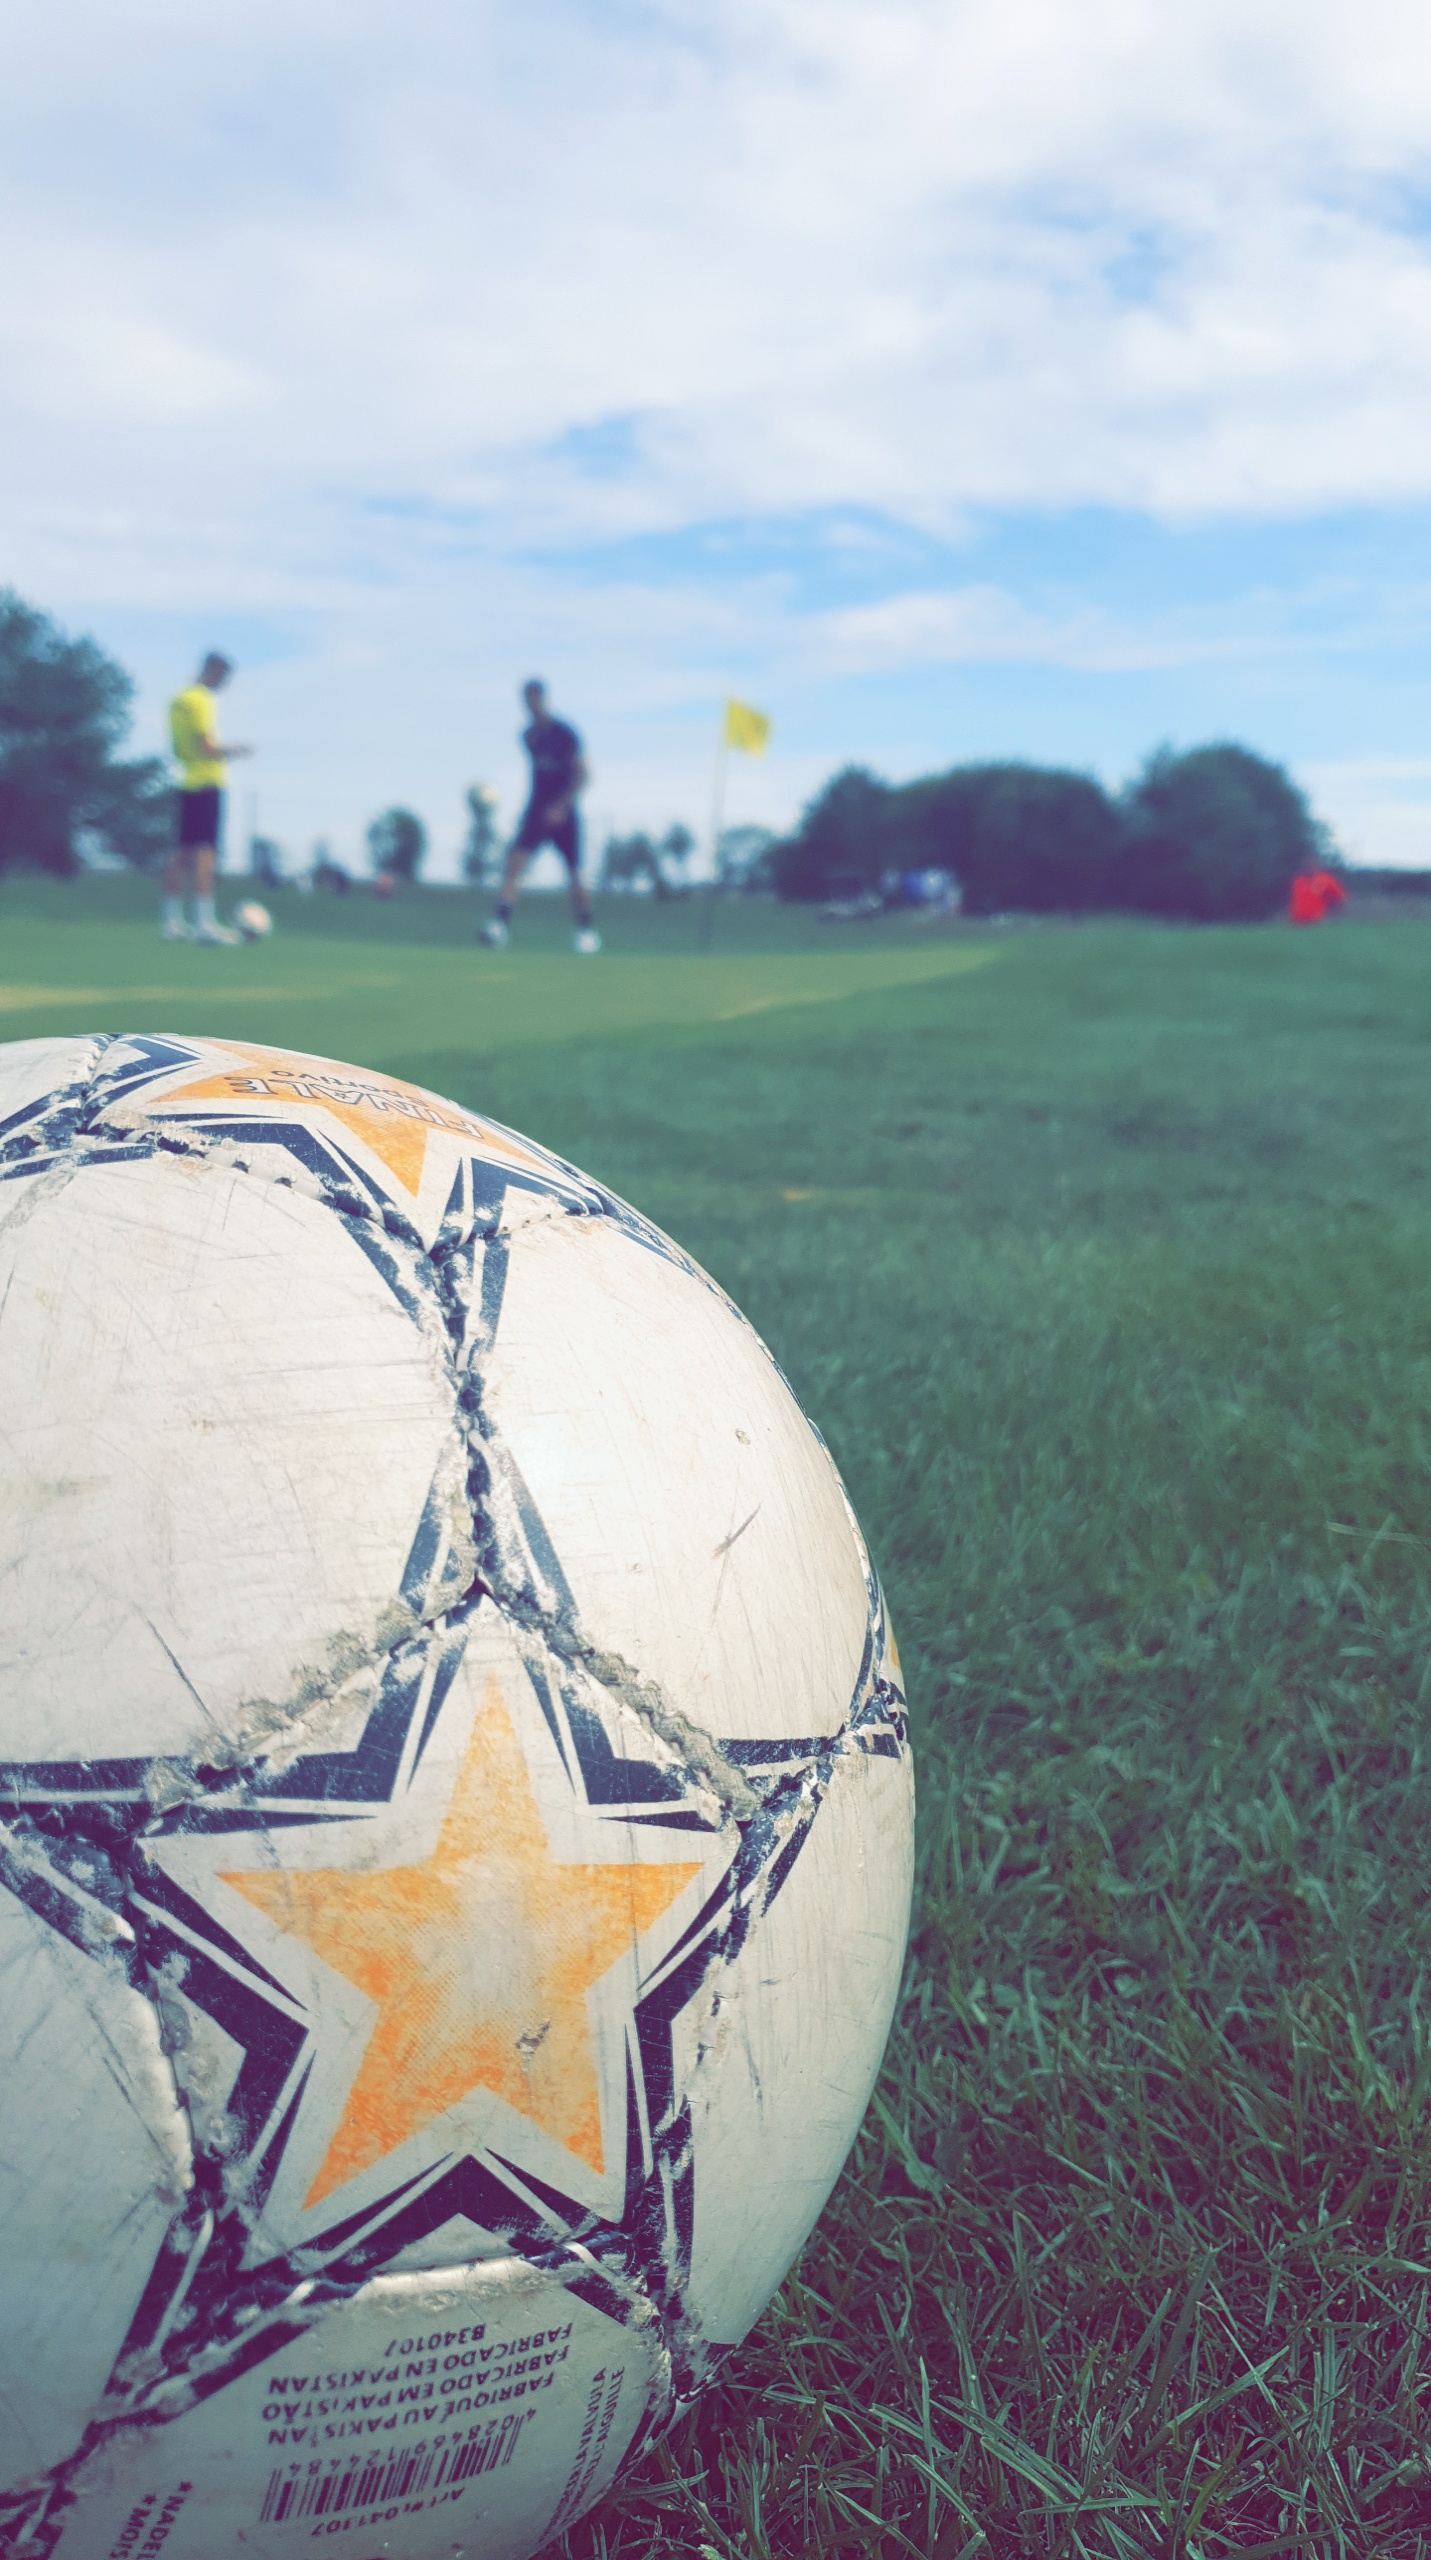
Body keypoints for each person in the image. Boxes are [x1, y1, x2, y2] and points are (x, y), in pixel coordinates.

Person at [481, 681, 600, 953]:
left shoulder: (565, 733)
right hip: (537, 811)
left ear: (543, 699)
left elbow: (583, 775)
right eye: (526, 700)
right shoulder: (528, 736)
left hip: (565, 813)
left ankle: (587, 932)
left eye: (534, 699)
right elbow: (539, 778)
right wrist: (532, 810)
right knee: (514, 863)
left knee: (575, 875)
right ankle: (498, 928)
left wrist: (561, 807)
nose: (530, 705)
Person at [163, 653, 252, 943]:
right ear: (214, 671)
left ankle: (172, 922)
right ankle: (205, 924)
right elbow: (208, 746)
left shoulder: (179, 698)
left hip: (186, 779)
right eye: (224, 678)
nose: (224, 684)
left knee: (181, 852)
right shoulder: (202, 699)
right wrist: (235, 750)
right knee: (205, 852)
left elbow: (179, 747)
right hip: (207, 781)